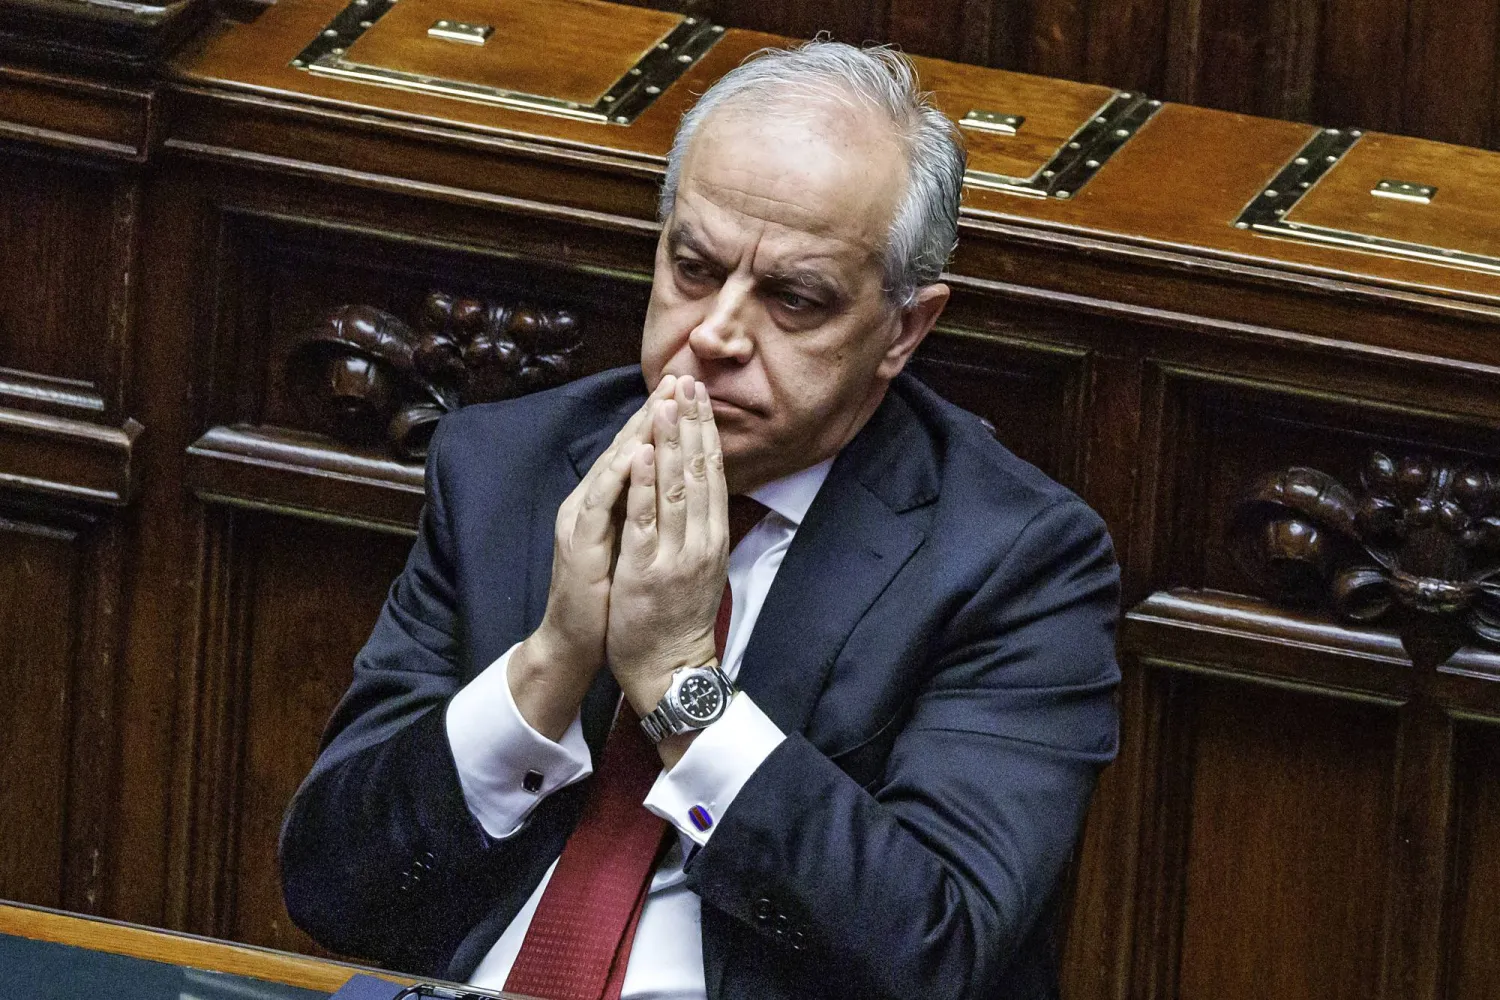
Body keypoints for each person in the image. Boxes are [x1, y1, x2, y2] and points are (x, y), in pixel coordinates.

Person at [280, 41, 1120, 1000]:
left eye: (793, 299)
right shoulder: (506, 468)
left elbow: (938, 953)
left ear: (903, 329)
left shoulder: (1018, 561)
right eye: (694, 267)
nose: (716, 332)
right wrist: (548, 666)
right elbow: (329, 888)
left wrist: (684, 689)